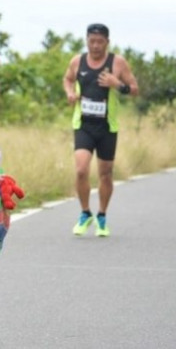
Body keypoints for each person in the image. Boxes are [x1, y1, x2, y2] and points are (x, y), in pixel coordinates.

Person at [62, 23, 139, 237]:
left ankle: (102, 215)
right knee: (81, 170)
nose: (95, 46)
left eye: (100, 42)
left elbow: (134, 90)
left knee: (105, 173)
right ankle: (85, 213)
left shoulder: (118, 63)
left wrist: (117, 84)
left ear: (107, 42)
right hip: (84, 124)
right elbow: (67, 79)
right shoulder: (77, 61)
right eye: (91, 41)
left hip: (107, 127)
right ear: (86, 41)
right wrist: (70, 93)